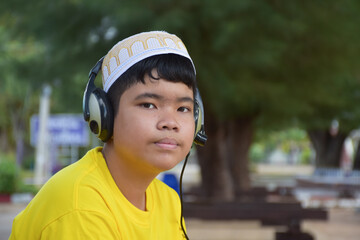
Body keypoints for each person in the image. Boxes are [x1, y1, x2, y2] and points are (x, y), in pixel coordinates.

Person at [9, 31, 206, 240]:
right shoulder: (81, 208)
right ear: (104, 115)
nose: (170, 123)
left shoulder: (168, 200)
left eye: (183, 108)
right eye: (149, 105)